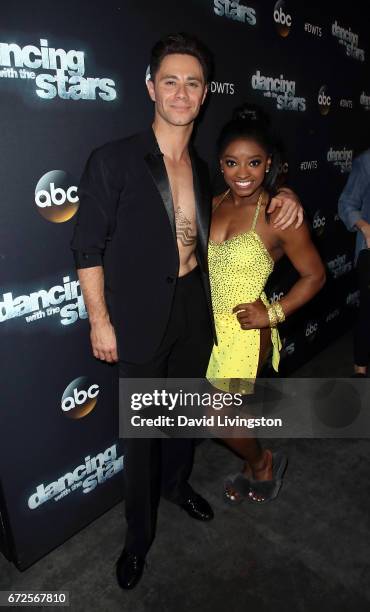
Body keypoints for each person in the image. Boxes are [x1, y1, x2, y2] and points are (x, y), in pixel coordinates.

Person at [71, 34, 304, 590]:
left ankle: (178, 486)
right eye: (170, 80)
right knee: (141, 438)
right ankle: (137, 540)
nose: (181, 92)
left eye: (192, 83)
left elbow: (249, 187)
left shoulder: (202, 169)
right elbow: (86, 245)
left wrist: (285, 189)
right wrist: (99, 319)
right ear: (151, 87)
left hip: (193, 314)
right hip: (139, 320)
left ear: (204, 96)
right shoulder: (114, 159)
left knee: (186, 417)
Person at [206, 104, 326, 504]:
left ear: (269, 163)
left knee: (218, 419)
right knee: (225, 416)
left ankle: (261, 462)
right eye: (232, 162)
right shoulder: (210, 203)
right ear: (220, 165)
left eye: (254, 163)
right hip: (207, 330)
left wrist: (271, 314)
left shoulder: (277, 214)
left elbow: (316, 275)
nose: (243, 173)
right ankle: (252, 461)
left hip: (244, 332)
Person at [338, 149, 370, 377]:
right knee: (367, 314)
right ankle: (360, 371)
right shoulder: (367, 161)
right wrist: (366, 228)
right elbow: (346, 204)